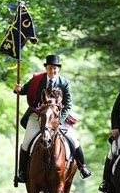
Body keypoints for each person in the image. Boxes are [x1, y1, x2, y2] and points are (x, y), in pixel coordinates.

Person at [13, 54, 92, 183]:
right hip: (37, 115)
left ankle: (82, 166)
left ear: (58, 69)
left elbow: (68, 104)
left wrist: (59, 121)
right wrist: (18, 89)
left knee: (74, 140)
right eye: (50, 68)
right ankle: (22, 172)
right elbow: (24, 90)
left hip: (57, 118)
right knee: (26, 142)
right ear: (46, 68)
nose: (53, 71)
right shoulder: (37, 79)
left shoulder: (64, 83)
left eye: (55, 68)